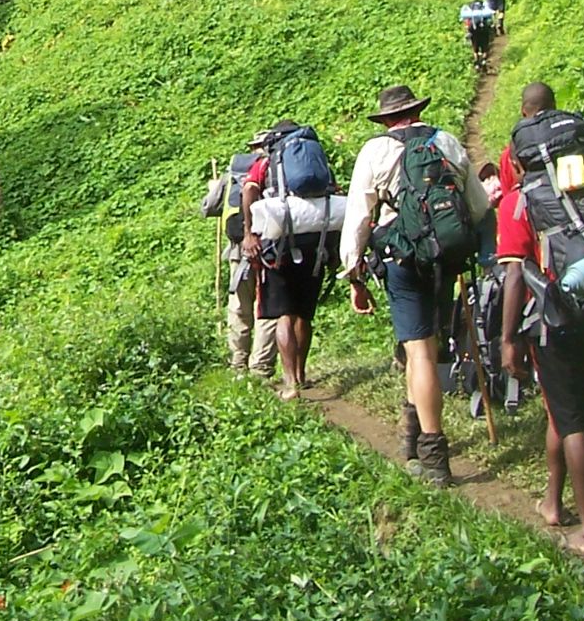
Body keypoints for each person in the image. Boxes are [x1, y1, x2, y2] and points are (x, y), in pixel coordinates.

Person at [340, 85, 490, 487]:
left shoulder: (375, 151)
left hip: (402, 259)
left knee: (418, 351)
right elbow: (478, 207)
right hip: (444, 257)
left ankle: (434, 454)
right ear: (418, 111)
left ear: (386, 119)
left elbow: (358, 218)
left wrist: (354, 274)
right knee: (426, 345)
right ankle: (412, 433)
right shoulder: (446, 142)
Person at [497, 81, 584, 557]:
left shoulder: (521, 201)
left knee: (572, 424)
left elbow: (514, 276)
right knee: (564, 408)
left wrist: (508, 338)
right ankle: (552, 502)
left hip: (555, 323)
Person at [238, 137, 337, 400]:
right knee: (303, 315)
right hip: (316, 245)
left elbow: (248, 191)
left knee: (285, 316)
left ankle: (291, 382)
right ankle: (301, 375)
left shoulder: (267, 162)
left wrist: (249, 232)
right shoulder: (318, 162)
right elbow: (333, 198)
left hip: (278, 248)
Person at [201, 136, 276, 378]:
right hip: (271, 249)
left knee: (239, 308)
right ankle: (261, 367)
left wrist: (214, 189)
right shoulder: (277, 169)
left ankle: (238, 363)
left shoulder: (233, 174)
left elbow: (207, 208)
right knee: (266, 307)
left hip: (238, 250)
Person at [459, 0, 497, 67]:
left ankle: (476, 61)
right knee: (485, 48)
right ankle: (484, 60)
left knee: (475, 49)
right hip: (484, 31)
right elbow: (490, 21)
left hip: (473, 32)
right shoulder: (484, 11)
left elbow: (466, 24)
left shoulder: (470, 13)